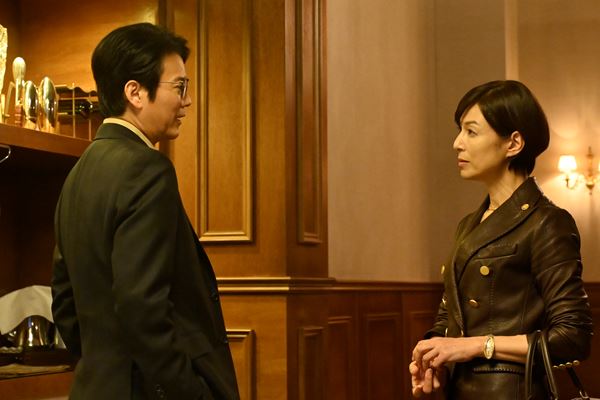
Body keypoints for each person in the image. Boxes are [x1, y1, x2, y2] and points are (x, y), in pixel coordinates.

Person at [51, 23, 240, 400]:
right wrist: (191, 392)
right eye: (179, 86)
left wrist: (104, 366)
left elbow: (65, 302)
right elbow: (142, 307)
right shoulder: (147, 169)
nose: (187, 101)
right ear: (135, 92)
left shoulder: (78, 173)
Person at [409, 80, 593, 399]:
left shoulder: (547, 222)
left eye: (471, 131)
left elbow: (572, 337)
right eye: (460, 131)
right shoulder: (468, 224)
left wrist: (475, 346)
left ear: (513, 143)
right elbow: (450, 316)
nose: (457, 143)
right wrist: (432, 355)